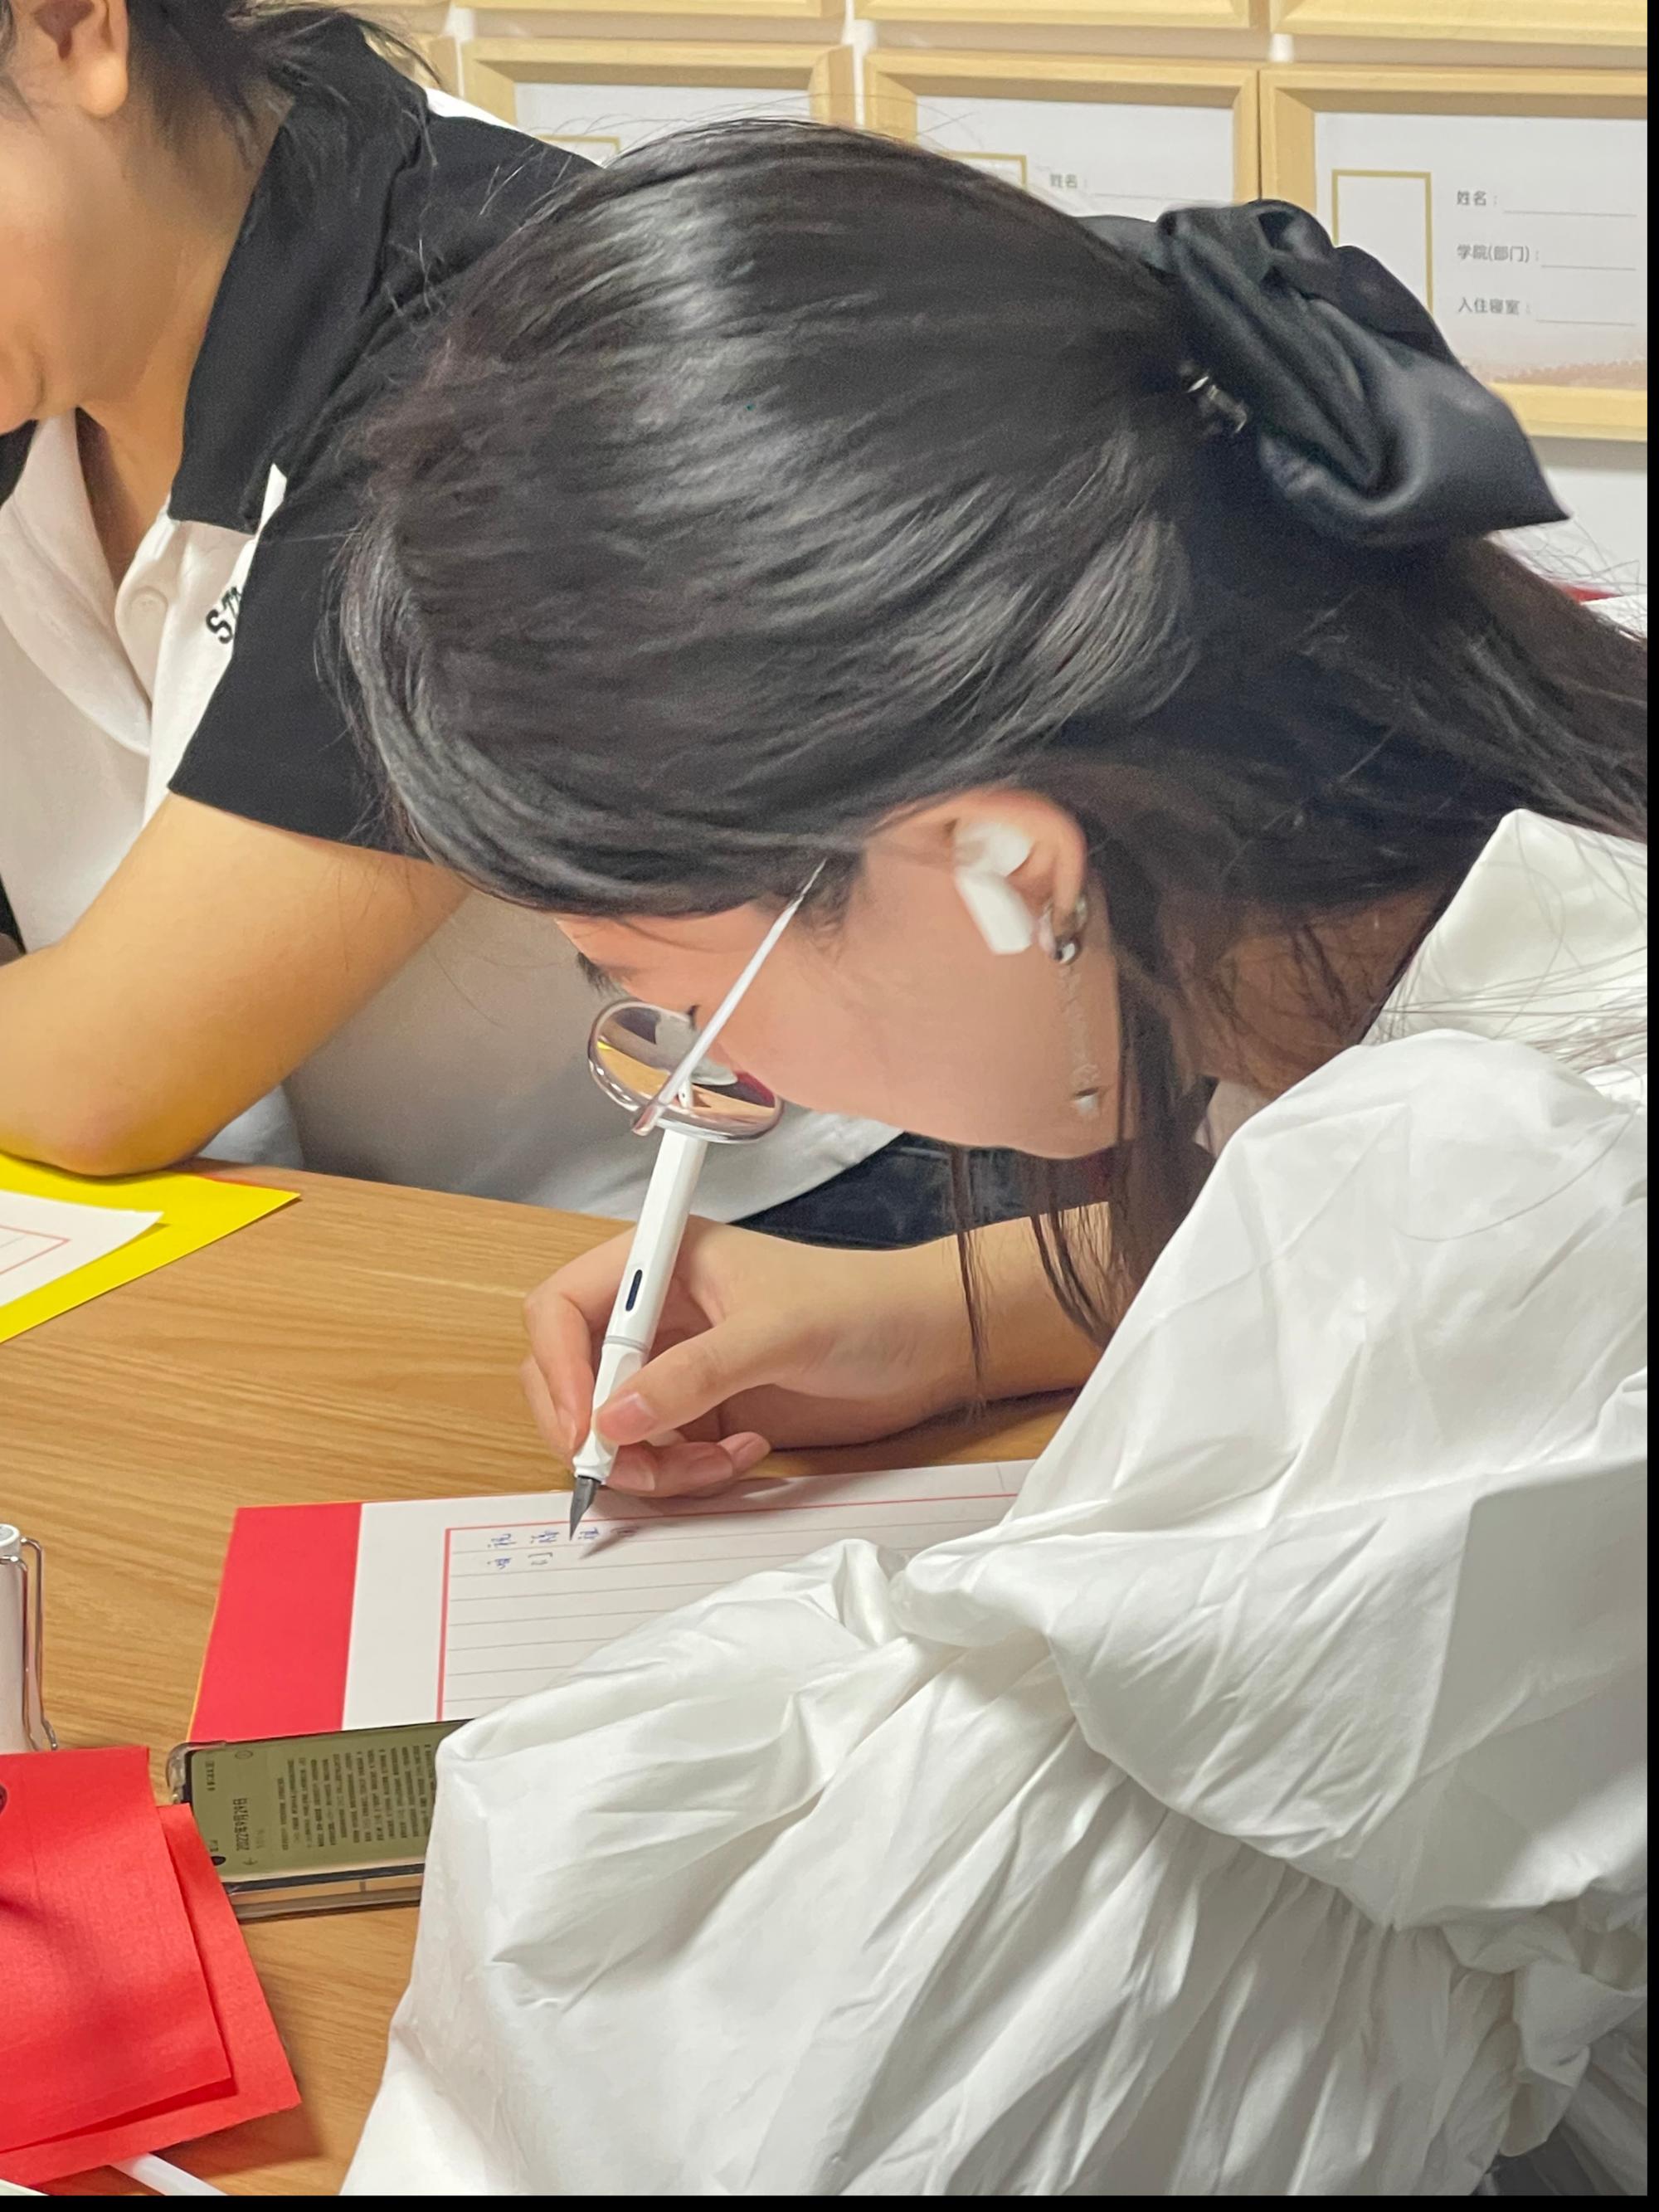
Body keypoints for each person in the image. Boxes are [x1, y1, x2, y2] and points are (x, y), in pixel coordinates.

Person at [340, 131, 1646, 2194]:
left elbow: (821, 2109)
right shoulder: (1449, 837)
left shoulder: (1482, 1207)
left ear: (992, 868)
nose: (706, 1075)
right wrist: (931, 1308)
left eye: (668, 999)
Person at [0, 0, 968, 1244]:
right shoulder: (54, 334)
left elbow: (115, 1073)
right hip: (285, 1216)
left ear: (72, 26)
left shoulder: (505, 339)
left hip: (746, 1227)